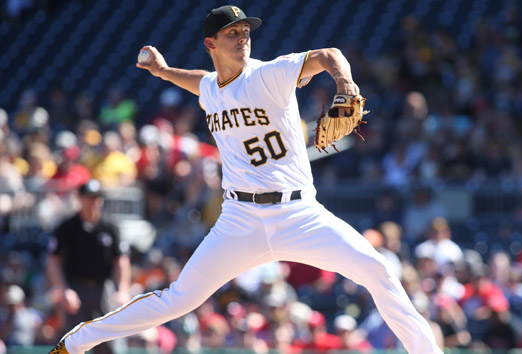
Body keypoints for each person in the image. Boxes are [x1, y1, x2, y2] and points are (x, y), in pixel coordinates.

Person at [48, 5, 442, 354]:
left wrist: (346, 84)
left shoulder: (270, 74)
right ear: (211, 44)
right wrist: (163, 71)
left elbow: (328, 54)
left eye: (246, 32)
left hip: (299, 213)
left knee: (378, 271)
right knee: (177, 299)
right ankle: (75, 344)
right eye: (232, 33)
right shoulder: (209, 88)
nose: (243, 38)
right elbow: (197, 80)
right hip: (239, 220)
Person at [47, 179, 131, 354]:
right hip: (75, 290)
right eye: (88, 197)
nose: (92, 202)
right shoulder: (67, 227)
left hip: (103, 289)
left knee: (109, 342)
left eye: (96, 198)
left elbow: (121, 260)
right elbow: (53, 260)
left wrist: (123, 290)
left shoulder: (110, 227)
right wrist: (63, 289)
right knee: (70, 342)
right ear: (79, 199)